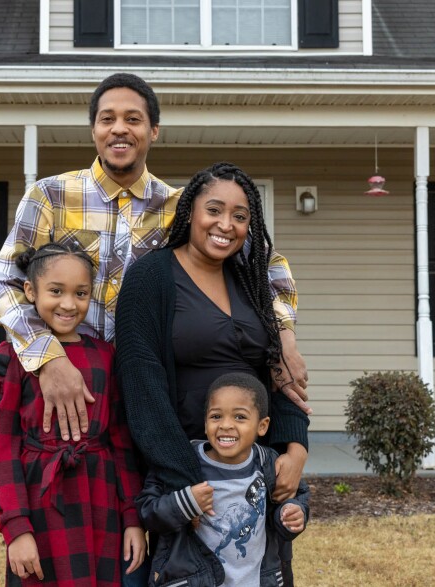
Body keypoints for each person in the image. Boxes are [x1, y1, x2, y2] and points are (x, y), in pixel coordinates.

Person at [0, 73, 311, 449]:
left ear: (154, 130)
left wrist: (284, 336)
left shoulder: (181, 208)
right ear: (93, 129)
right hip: (68, 380)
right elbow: (6, 283)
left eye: (133, 119)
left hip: (146, 391)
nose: (119, 129)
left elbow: (268, 267)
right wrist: (49, 359)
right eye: (107, 119)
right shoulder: (51, 195)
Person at [115, 162, 310, 587]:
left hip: (252, 469)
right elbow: (141, 389)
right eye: (215, 210)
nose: (227, 225)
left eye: (241, 217)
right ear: (190, 213)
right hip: (184, 481)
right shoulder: (150, 279)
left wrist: (295, 450)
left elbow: (276, 375)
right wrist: (193, 481)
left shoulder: (251, 281)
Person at [0, 242, 146, 587]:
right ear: (30, 290)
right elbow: (4, 448)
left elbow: (121, 443)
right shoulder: (15, 357)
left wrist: (132, 517)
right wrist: (16, 528)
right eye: (56, 291)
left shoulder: (106, 356)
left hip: (100, 500)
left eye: (81, 293)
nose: (69, 304)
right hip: (39, 499)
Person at [137, 372, 310, 587]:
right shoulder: (182, 462)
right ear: (205, 420)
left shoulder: (267, 464)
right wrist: (185, 503)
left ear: (262, 426)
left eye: (239, 417)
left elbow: (295, 497)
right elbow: (148, 511)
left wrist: (293, 513)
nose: (225, 425)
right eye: (216, 416)